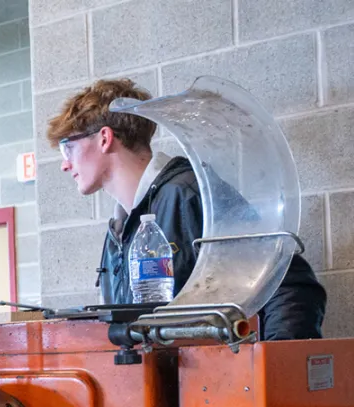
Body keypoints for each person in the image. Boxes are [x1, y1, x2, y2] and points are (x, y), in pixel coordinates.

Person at [45, 78, 327, 340]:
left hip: (206, 386)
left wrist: (270, 373)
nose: (64, 164)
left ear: (104, 138)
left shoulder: (188, 194)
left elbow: (288, 284)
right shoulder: (119, 230)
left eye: (67, 148)